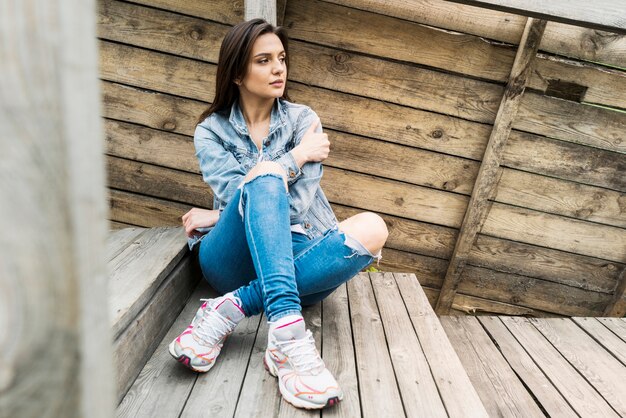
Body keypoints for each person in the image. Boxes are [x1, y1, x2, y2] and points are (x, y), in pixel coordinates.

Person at [168, 18, 388, 410]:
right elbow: (239, 194)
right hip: (230, 258)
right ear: (237, 72)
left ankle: (238, 308)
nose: (278, 69)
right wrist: (296, 156)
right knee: (266, 175)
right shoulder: (211, 131)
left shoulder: (303, 119)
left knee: (374, 227)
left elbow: (297, 205)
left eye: (282, 59)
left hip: (295, 247)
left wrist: (218, 213)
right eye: (264, 60)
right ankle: (290, 338)